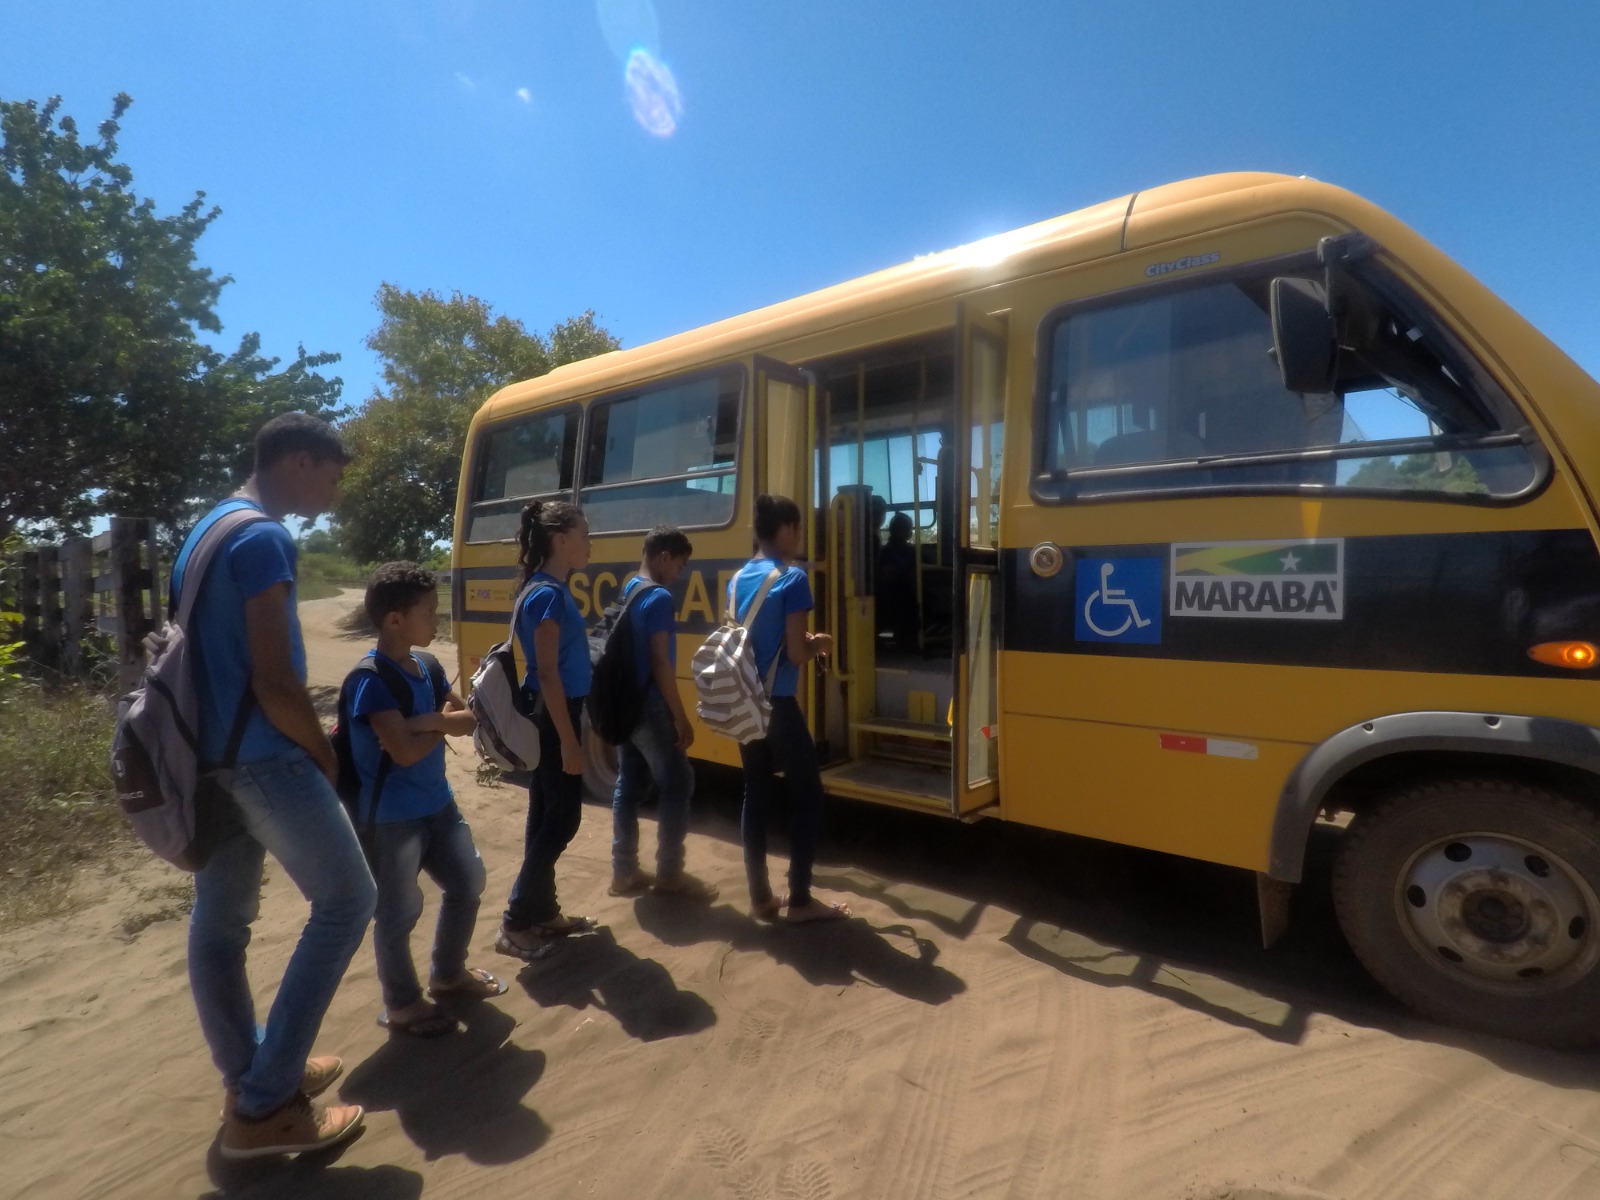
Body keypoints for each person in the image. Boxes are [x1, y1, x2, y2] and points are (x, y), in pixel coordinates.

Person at [176, 413, 374, 1159]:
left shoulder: (207, 529)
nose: (335, 492)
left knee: (220, 925)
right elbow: (276, 680)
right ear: (299, 462)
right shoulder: (264, 538)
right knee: (349, 901)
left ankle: (251, 1075)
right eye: (334, 476)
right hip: (264, 756)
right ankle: (265, 1106)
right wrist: (323, 752)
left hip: (210, 759)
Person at [346, 562, 505, 1038]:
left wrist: (428, 722)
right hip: (391, 820)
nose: (438, 620)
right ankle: (401, 1004)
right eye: (429, 612)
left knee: (467, 882)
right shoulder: (371, 680)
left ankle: (448, 975)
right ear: (395, 620)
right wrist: (438, 724)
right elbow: (405, 752)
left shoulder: (429, 667)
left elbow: (470, 718)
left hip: (439, 806)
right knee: (398, 914)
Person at [733, 494, 853, 923]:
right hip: (778, 705)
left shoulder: (739, 578)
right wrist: (820, 643)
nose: (800, 536)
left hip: (746, 700)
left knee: (756, 793)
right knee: (809, 795)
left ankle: (761, 898)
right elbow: (798, 653)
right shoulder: (792, 578)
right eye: (798, 528)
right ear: (785, 529)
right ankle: (800, 900)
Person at [496, 499, 596, 959]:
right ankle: (516, 920)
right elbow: (549, 673)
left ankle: (543, 911)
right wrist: (571, 742)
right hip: (555, 714)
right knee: (562, 819)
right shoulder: (548, 595)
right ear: (560, 540)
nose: (590, 543)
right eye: (584, 535)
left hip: (550, 711)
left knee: (543, 815)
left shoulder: (543, 589)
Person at [608, 525, 719, 901]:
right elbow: (660, 663)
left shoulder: (630, 588)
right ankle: (669, 874)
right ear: (664, 557)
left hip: (624, 701)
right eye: (680, 565)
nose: (679, 574)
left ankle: (623, 872)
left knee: (628, 784)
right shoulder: (658, 598)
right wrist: (680, 716)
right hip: (650, 704)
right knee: (678, 782)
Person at [877, 511, 920, 651]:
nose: (909, 532)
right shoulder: (888, 551)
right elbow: (885, 575)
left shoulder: (910, 550)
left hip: (904, 588)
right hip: (893, 591)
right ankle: (906, 638)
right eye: (907, 528)